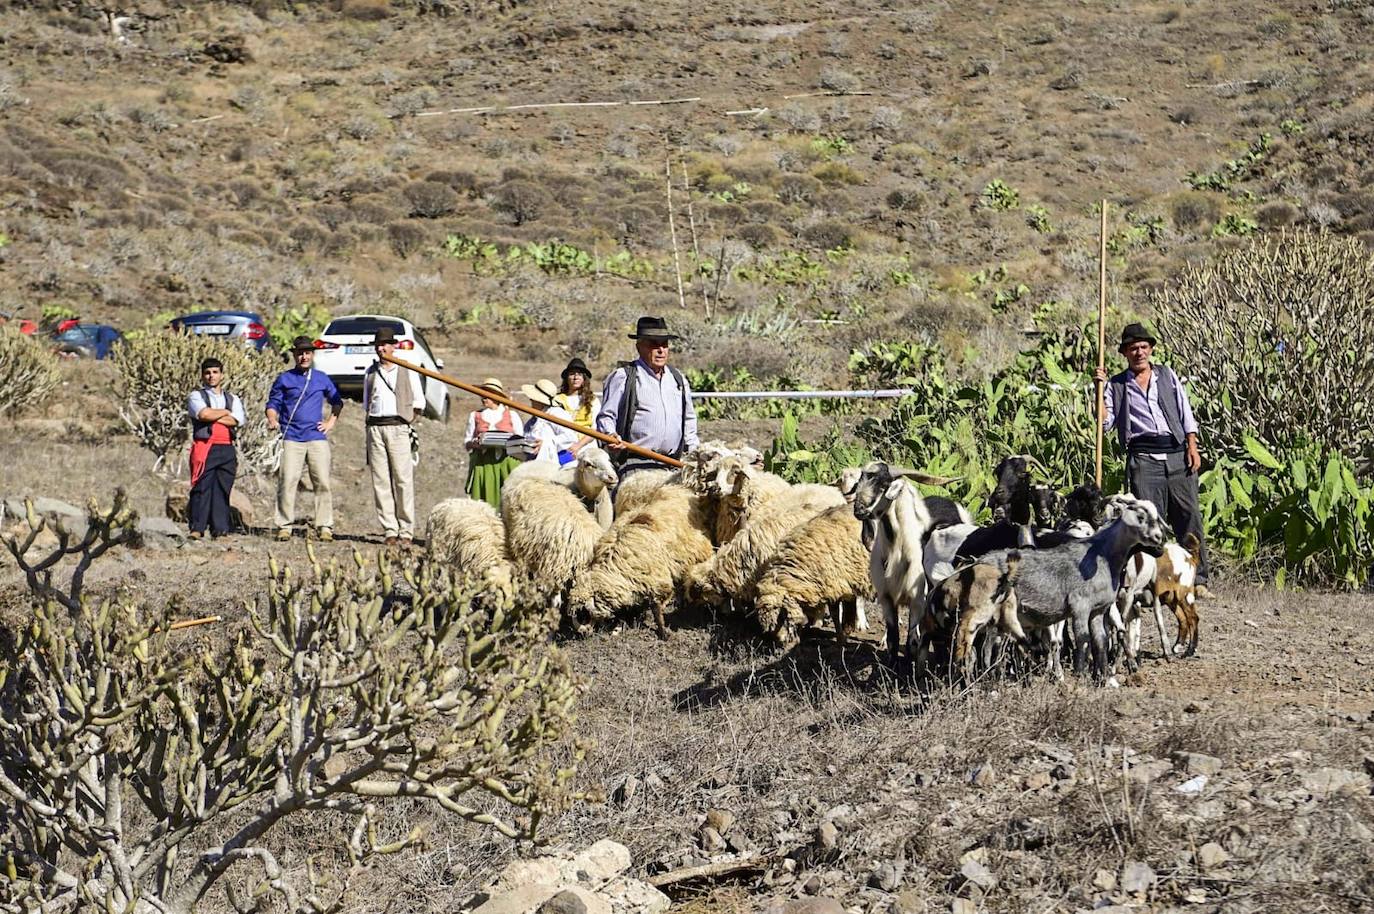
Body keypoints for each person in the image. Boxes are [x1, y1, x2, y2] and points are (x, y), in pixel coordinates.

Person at [1095, 322, 1212, 596]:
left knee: (1189, 516)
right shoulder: (1116, 385)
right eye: (1133, 348)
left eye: (1144, 347)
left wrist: (1192, 447)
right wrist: (1099, 390)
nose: (1139, 352)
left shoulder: (1168, 376)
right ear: (1124, 352)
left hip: (1176, 454)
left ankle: (1199, 580)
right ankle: (1153, 584)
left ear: (1150, 350)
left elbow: (1186, 414)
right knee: (1149, 523)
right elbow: (1104, 424)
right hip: (1143, 459)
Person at [596, 315, 699, 478]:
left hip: (673, 464)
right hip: (636, 465)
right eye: (654, 345)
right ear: (639, 347)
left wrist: (694, 451)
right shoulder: (624, 377)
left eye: (664, 345)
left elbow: (689, 420)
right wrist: (611, 436)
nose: (661, 350)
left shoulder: (677, 379)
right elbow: (606, 417)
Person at [266, 335, 344, 542]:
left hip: (316, 437)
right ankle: (284, 525)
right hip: (292, 436)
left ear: (312, 354)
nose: (304, 356)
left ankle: (325, 525)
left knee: (322, 482)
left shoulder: (321, 378)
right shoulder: (284, 379)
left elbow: (337, 401)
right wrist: (272, 419)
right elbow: (273, 403)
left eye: (307, 352)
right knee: (288, 480)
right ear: (294, 355)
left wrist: (330, 422)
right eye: (300, 353)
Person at [363, 326, 425, 547]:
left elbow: (419, 403)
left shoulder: (407, 369)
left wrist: (407, 423)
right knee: (380, 480)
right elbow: (366, 402)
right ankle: (389, 528)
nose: (382, 348)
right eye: (379, 345)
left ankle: (406, 530)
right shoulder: (370, 372)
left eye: (385, 344)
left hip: (398, 426)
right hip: (375, 427)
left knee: (403, 479)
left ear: (394, 346)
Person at [186, 357, 246, 540]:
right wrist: (226, 413)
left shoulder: (232, 398)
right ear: (202, 375)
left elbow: (238, 420)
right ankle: (197, 528)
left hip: (227, 448)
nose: (211, 376)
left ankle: (219, 529)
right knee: (201, 487)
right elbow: (203, 414)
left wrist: (215, 415)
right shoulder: (196, 396)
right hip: (205, 447)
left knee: (222, 488)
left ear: (221, 374)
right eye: (207, 373)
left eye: (215, 372)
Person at [464, 379, 522, 508]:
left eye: (488, 393)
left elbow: (520, 442)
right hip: (483, 463)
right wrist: (476, 444)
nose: (483, 397)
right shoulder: (475, 415)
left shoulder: (512, 415)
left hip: (506, 462)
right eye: (482, 393)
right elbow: (467, 442)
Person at [520, 378, 578, 466]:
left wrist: (546, 443)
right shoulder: (533, 420)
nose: (531, 400)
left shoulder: (557, 414)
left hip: (556, 463)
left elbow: (570, 436)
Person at [555, 357, 601, 456]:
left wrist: (578, 446)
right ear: (567, 378)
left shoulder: (593, 400)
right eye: (572, 374)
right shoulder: (557, 400)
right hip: (563, 448)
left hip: (588, 449)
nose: (575, 377)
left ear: (584, 379)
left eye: (579, 374)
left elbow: (595, 429)